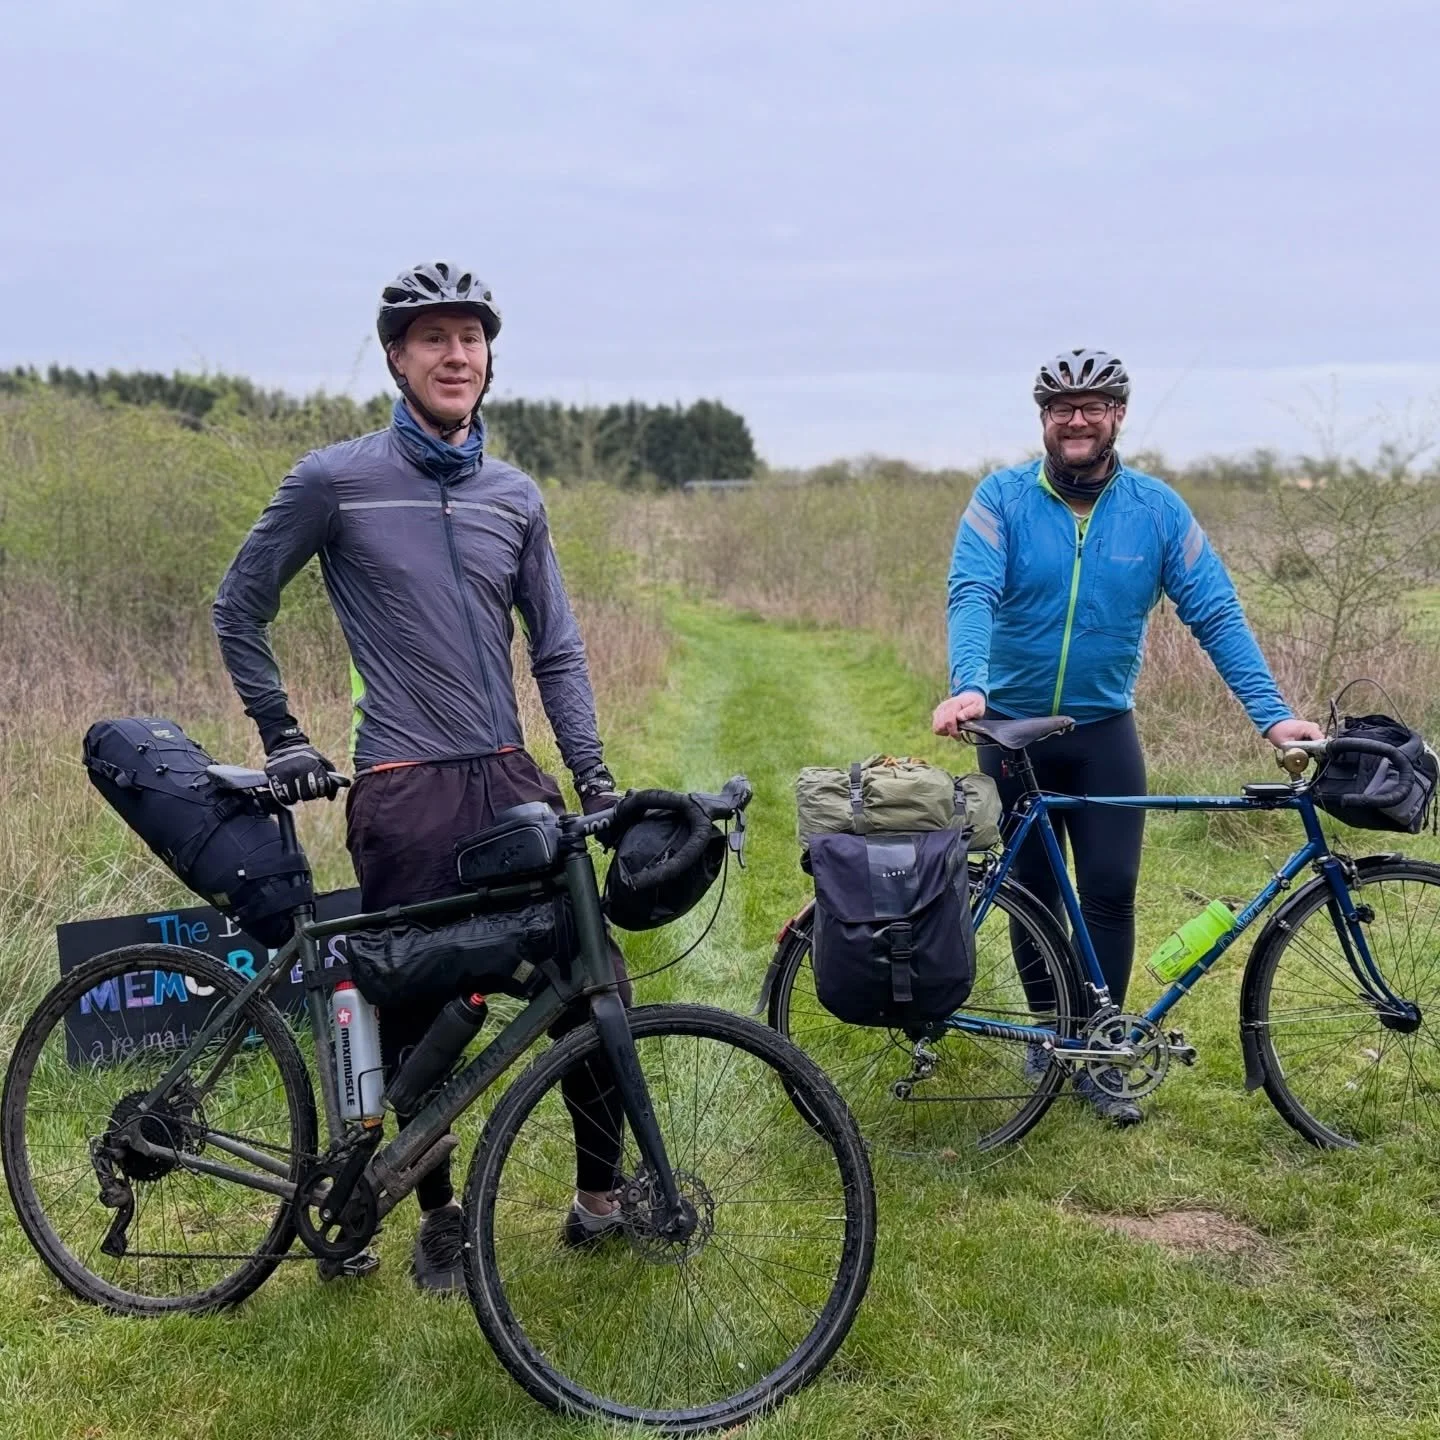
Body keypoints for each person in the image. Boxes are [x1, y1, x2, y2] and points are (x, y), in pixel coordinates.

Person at [214, 261, 628, 1290]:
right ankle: (435, 1217)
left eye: (470, 338)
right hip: (403, 787)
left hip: (510, 779)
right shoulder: (336, 481)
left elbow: (559, 652)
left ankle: (602, 1200)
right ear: (396, 358)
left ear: (490, 357)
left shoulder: (513, 497)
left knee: (593, 979)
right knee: (415, 1013)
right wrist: (282, 735)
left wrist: (597, 780)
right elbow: (239, 605)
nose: (456, 355)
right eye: (432, 338)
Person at [933, 348, 1322, 1125]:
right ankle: (1051, 1038)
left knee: (1109, 890)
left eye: (1093, 405)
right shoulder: (1002, 499)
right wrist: (969, 682)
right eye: (1061, 408)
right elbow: (971, 589)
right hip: (1012, 729)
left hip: (1104, 726)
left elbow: (1213, 612)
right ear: (1044, 420)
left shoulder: (1156, 510)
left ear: (1117, 415)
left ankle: (1102, 1051)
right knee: (1034, 894)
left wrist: (1272, 715)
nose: (1076, 419)